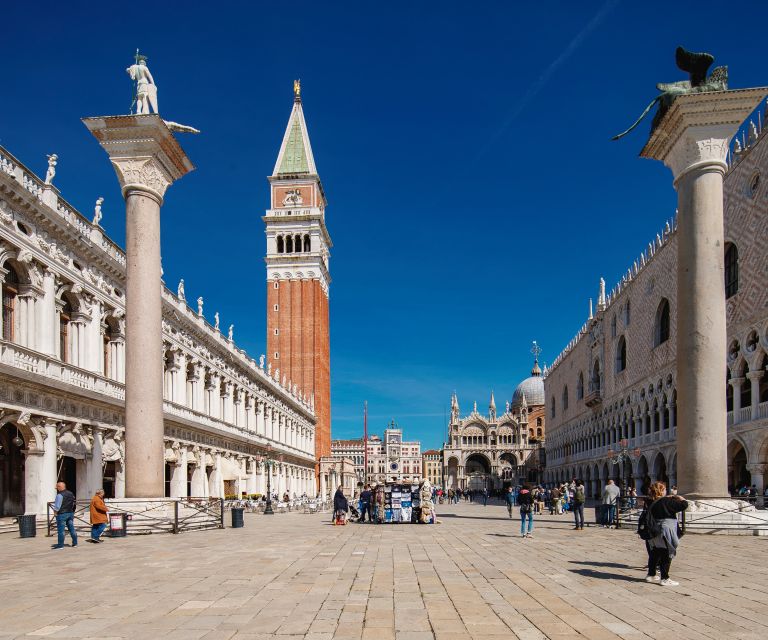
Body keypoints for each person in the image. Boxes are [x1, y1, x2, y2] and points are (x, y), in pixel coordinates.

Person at [643, 481, 688, 586]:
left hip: (653, 530)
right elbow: (684, 505)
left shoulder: (650, 501)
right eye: (664, 489)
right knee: (667, 553)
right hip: (665, 530)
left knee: (655, 552)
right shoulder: (666, 501)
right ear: (661, 490)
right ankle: (665, 578)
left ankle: (651, 575)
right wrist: (681, 498)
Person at [51, 481, 77, 549]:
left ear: (60, 487)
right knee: (72, 529)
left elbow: (57, 506)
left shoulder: (59, 495)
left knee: (61, 530)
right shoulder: (71, 493)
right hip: (70, 513)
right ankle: (75, 544)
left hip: (62, 514)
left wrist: (55, 512)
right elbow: (73, 503)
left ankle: (60, 545)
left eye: (57, 487)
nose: (56, 488)